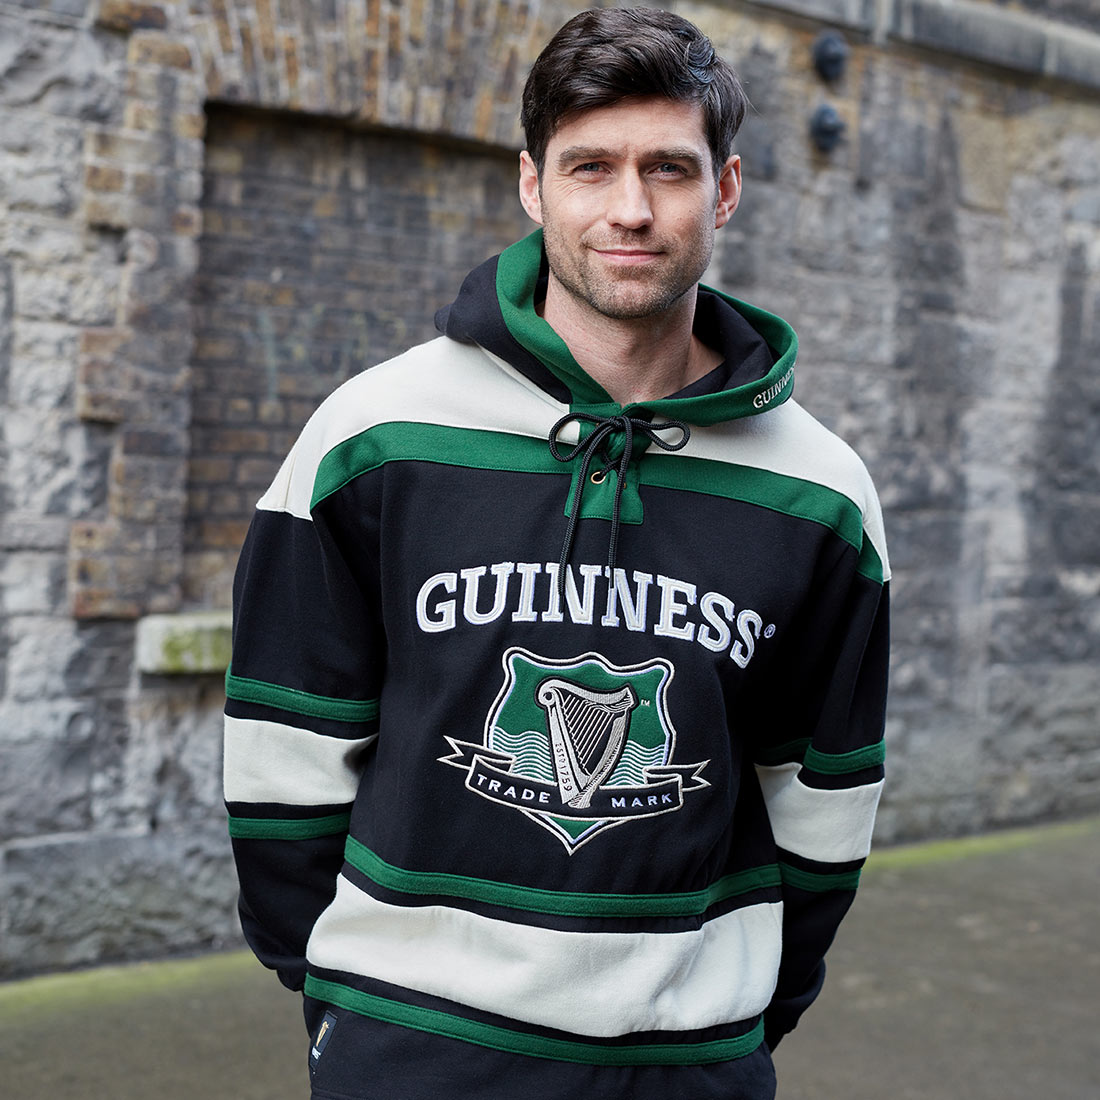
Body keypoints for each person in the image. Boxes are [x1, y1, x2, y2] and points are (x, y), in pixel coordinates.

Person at [223, 8, 890, 1099]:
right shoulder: (374, 436)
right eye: (591, 167)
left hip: (685, 1067)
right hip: (412, 1053)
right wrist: (352, 1005)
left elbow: (822, 805)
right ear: (533, 185)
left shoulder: (820, 491)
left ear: (724, 189)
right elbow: (282, 763)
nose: (630, 209)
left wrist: (729, 1020)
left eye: (668, 169)